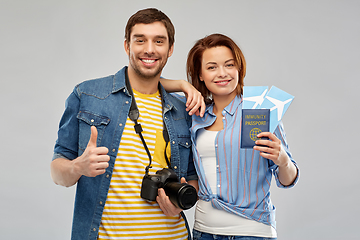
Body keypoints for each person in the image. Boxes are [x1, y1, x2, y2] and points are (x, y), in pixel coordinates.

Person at [50, 8, 203, 240]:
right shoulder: (88, 95)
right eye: (140, 40)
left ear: (170, 49)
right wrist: (77, 167)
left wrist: (180, 205)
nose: (149, 49)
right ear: (126, 46)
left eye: (158, 41)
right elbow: (57, 170)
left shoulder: (183, 109)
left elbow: (193, 177)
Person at [186, 34, 299, 240]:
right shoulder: (196, 114)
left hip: (252, 233)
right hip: (203, 232)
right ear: (200, 74)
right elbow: (153, 84)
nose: (222, 73)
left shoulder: (259, 110)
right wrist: (183, 86)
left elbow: (288, 180)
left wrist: (282, 159)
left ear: (239, 68)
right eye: (211, 67)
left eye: (229, 65)